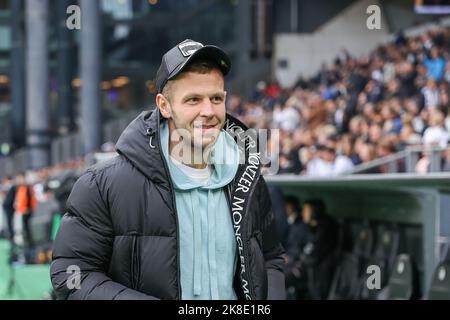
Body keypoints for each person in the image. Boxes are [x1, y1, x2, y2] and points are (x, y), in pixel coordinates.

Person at [51, 39, 286, 300]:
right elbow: (71, 274)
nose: (208, 111)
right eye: (193, 100)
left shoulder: (248, 177)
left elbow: (270, 259)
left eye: (216, 98)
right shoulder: (101, 183)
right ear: (164, 106)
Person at [15, 173, 36, 249]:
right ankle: (27, 242)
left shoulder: (26, 187)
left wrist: (28, 208)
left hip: (26, 210)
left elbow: (28, 199)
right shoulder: (21, 187)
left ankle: (29, 243)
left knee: (27, 228)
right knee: (24, 227)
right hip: (22, 210)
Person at [1, 176, 17, 242]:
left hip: (9, 208)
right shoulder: (8, 188)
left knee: (9, 222)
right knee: (8, 222)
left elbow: (10, 200)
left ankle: (11, 235)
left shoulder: (12, 188)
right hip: (7, 208)